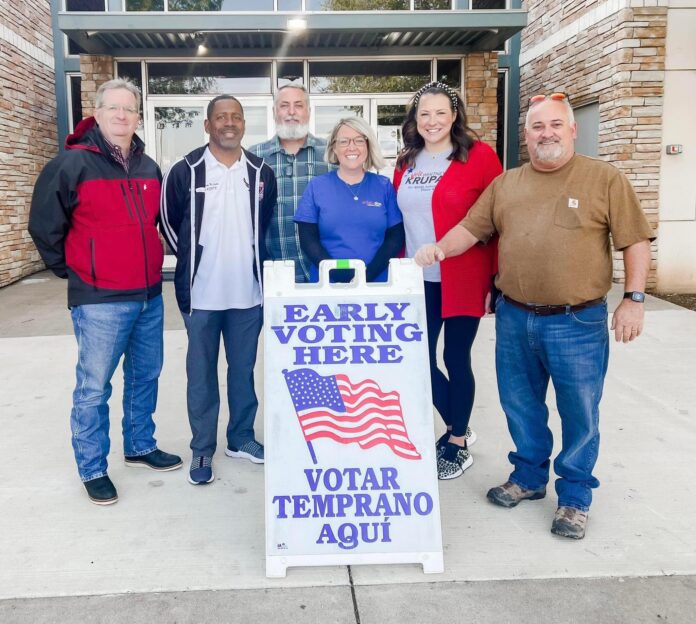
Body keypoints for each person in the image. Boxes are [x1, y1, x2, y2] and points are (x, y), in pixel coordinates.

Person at [415, 92, 654, 539]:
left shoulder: (603, 179)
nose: (546, 134)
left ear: (572, 129)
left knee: (579, 411)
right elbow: (472, 227)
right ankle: (527, 477)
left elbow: (634, 240)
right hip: (514, 316)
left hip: (577, 321)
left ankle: (575, 496)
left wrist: (634, 299)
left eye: (555, 125)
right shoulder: (508, 184)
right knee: (520, 405)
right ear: (525, 135)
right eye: (537, 127)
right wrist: (440, 249)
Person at [28, 79, 182, 506]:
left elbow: (153, 225)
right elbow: (44, 225)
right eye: (112, 107)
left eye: (129, 109)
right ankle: (93, 467)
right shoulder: (72, 164)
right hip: (99, 300)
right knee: (94, 387)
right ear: (96, 112)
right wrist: (76, 271)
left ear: (137, 115)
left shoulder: (150, 167)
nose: (121, 115)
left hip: (149, 294)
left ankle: (139, 445)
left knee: (145, 375)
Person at [160, 95, 277, 485]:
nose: (229, 123)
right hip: (202, 295)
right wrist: (196, 259)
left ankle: (241, 438)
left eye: (236, 117)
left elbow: (263, 223)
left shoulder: (261, 171)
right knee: (202, 375)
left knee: (242, 372)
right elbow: (168, 222)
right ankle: (202, 449)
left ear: (244, 124)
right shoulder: (186, 169)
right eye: (221, 117)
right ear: (207, 125)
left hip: (249, 294)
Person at [393, 81, 502, 481]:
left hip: (463, 275)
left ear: (454, 116)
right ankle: (459, 420)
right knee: (416, 359)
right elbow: (401, 220)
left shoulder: (479, 157)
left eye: (440, 113)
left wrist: (495, 278)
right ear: (415, 120)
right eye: (424, 114)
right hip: (417, 278)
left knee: (455, 358)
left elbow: (497, 219)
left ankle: (457, 441)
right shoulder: (408, 160)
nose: (432, 121)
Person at [294, 116, 404, 283]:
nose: (351, 147)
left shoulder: (384, 186)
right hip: (327, 284)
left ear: (368, 146)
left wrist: (366, 276)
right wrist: (336, 274)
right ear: (334, 148)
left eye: (359, 140)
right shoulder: (316, 187)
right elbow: (308, 240)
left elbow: (395, 238)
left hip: (377, 284)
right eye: (344, 141)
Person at [249, 84, 334, 283]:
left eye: (299, 105)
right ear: (274, 112)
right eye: (284, 105)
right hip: (274, 273)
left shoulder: (331, 154)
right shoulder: (254, 157)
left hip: (325, 271)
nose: (292, 112)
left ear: (309, 111)